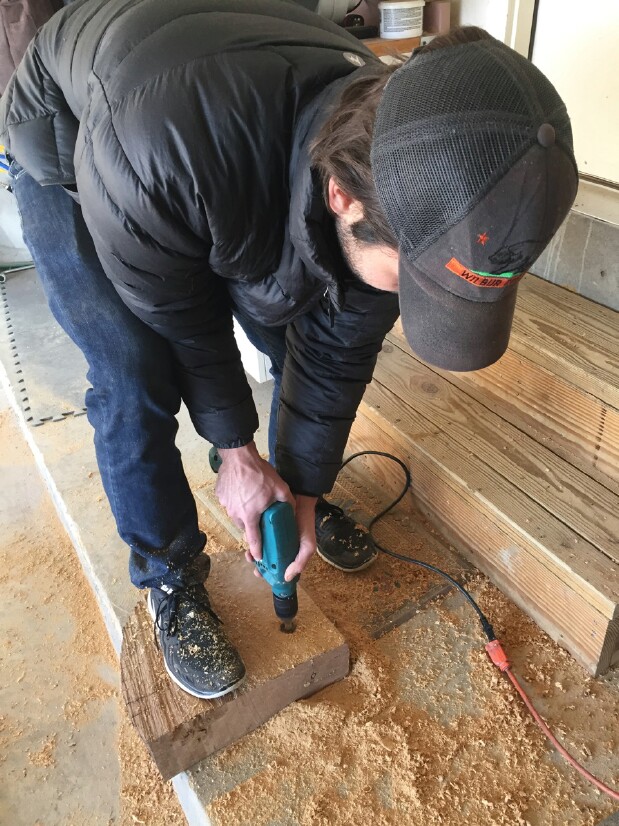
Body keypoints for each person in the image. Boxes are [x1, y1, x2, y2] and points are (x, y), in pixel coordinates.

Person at [0, 0, 578, 700]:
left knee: (308, 308)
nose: (410, 301)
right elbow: (186, 319)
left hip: (223, 129)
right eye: (414, 282)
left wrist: (302, 488)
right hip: (78, 135)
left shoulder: (402, 157)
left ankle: (279, 492)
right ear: (343, 198)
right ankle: (169, 576)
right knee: (134, 371)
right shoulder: (156, 153)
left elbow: (337, 349)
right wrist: (237, 449)